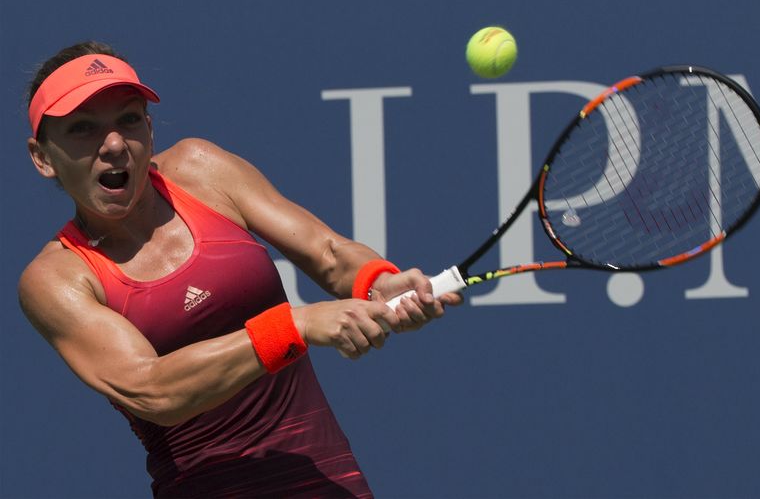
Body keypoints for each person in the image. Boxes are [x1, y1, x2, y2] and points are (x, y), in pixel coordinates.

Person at [18, 41, 462, 498]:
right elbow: (151, 390)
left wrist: (377, 282)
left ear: (149, 130)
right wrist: (295, 324)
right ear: (43, 157)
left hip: (329, 482)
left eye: (128, 120)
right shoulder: (57, 279)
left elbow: (327, 251)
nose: (113, 144)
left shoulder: (201, 169)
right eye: (84, 129)